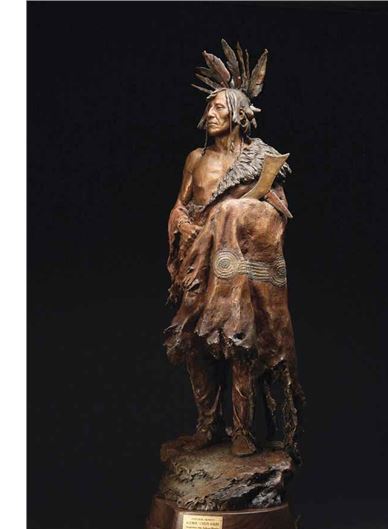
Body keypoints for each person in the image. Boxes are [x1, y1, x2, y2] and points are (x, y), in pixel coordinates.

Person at [164, 41, 304, 458]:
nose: (209, 114)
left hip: (236, 265)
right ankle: (207, 427)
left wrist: (234, 212)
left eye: (218, 108)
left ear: (239, 116)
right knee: (195, 342)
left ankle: (242, 430)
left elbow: (276, 214)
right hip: (196, 261)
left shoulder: (260, 159)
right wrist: (182, 221)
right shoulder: (195, 159)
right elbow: (180, 204)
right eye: (208, 108)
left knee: (238, 340)